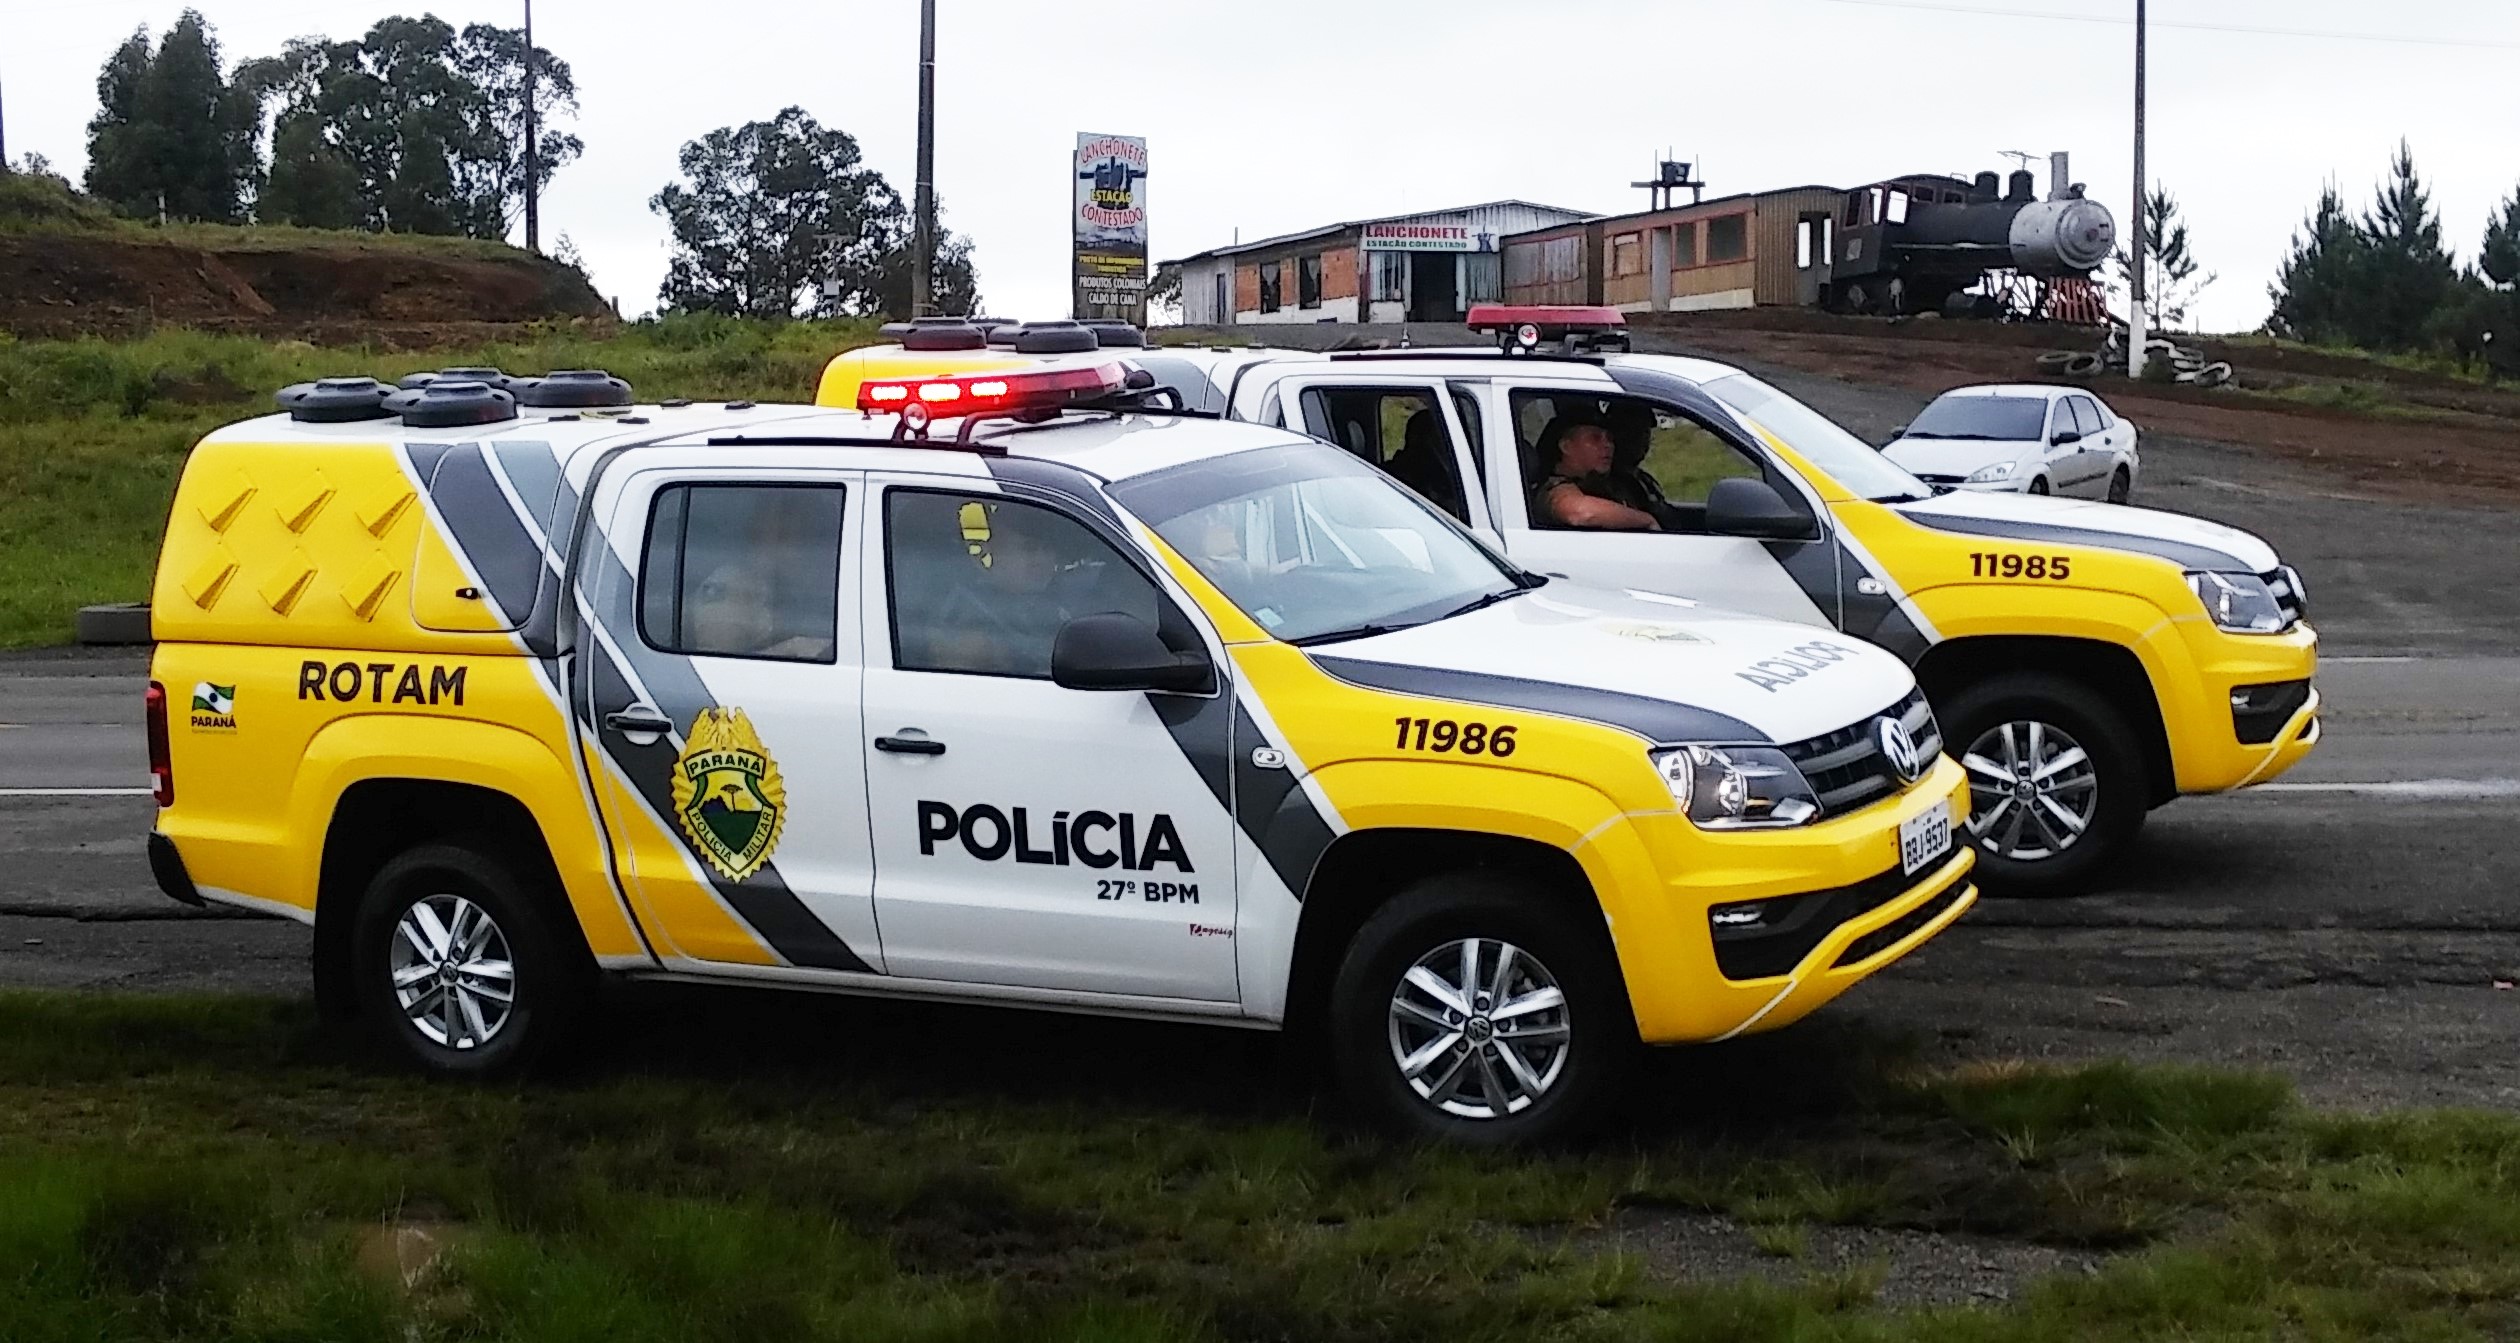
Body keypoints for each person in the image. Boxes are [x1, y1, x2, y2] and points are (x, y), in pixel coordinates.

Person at [1530, 413, 1664, 531]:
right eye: (1595, 438)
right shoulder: (1554, 489)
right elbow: (1580, 512)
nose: (1608, 445)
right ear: (1566, 446)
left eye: (1609, 439)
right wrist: (1646, 520)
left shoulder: (1615, 483)